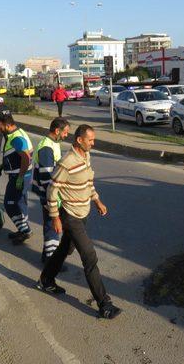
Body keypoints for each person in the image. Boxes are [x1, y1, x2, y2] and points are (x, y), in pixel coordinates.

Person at [38, 124, 121, 319]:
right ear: (79, 140)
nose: (93, 143)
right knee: (89, 256)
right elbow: (52, 190)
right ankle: (104, 304)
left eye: (93, 139)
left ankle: (46, 280)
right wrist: (55, 217)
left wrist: (97, 200)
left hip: (84, 212)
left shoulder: (86, 156)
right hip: (70, 215)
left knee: (65, 249)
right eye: (90, 140)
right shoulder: (67, 162)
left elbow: (87, 182)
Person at [32, 117, 70, 262]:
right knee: (53, 227)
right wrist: (53, 199)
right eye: (65, 132)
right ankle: (51, 260)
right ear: (57, 131)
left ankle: (46, 254)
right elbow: (47, 177)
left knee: (50, 225)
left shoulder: (52, 143)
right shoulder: (46, 148)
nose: (66, 136)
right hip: (49, 193)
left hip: (49, 192)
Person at [0, 114, 34, 243]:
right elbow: (15, 156)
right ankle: (22, 229)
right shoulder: (17, 133)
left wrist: (20, 178)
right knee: (20, 204)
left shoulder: (16, 138)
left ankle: (25, 231)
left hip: (20, 176)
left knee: (10, 204)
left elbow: (26, 158)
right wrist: (2, 166)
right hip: (21, 175)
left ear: (7, 125)